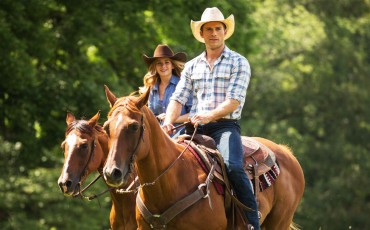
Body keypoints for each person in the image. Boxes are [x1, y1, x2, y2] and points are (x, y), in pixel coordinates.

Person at [161, 7, 260, 229]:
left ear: (225, 32)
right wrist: (168, 121)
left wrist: (208, 116)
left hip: (224, 127)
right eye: (209, 29)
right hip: (194, 127)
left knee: (233, 166)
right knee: (164, 161)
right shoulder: (192, 66)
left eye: (218, 28)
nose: (213, 33)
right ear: (202, 34)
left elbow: (234, 101)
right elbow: (178, 98)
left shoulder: (238, 62)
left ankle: (251, 222)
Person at [141, 44, 192, 134]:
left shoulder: (184, 85)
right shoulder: (152, 88)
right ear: (155, 67)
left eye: (166, 62)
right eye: (159, 63)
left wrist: (171, 119)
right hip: (159, 135)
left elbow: (194, 113)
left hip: (181, 134)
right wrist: (157, 118)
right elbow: (151, 116)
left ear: (172, 65)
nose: (163, 66)